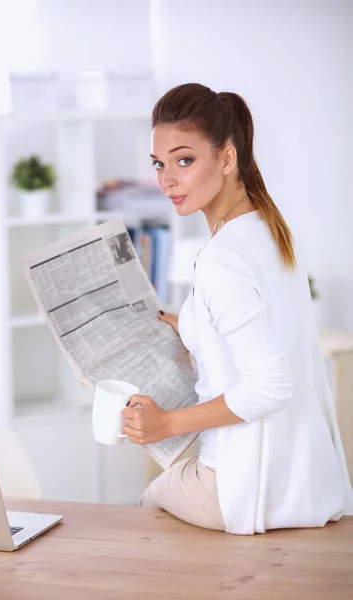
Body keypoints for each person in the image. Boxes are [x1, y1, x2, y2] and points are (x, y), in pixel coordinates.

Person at [121, 83, 353, 535]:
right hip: (303, 483)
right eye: (159, 164)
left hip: (241, 488)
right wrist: (185, 322)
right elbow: (260, 325)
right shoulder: (269, 229)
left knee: (145, 504)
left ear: (227, 159)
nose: (167, 180)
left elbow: (269, 387)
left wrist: (166, 423)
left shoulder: (222, 258)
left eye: (184, 160)